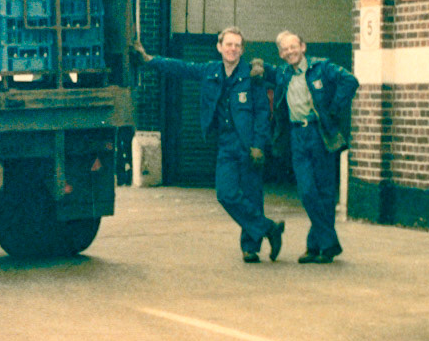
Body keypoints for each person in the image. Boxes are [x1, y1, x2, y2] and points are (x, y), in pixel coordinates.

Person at [135, 28, 284, 263]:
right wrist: (149, 60)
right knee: (225, 193)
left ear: (242, 49)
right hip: (226, 143)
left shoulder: (252, 75)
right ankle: (269, 228)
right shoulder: (210, 71)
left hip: (249, 145)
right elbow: (181, 67)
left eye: (237, 45)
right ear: (219, 47)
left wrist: (258, 145)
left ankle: (250, 247)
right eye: (228, 44)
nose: (232, 49)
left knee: (252, 194)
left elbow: (262, 113)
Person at [270, 30, 358, 264]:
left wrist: (333, 110)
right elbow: (264, 72)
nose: (290, 52)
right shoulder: (282, 73)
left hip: (319, 133)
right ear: (280, 54)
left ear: (303, 46)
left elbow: (350, 81)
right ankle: (329, 243)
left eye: (293, 46)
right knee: (307, 190)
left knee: (325, 192)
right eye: (285, 49)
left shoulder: (321, 67)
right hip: (297, 135)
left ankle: (315, 247)